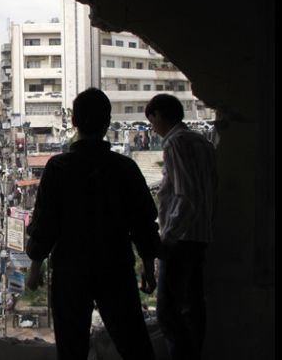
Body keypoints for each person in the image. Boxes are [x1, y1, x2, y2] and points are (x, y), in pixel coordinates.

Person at [26, 88, 160, 360]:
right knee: (134, 345)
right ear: (107, 123)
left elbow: (45, 223)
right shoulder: (125, 168)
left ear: (74, 121)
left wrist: (35, 266)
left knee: (71, 349)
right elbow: (143, 222)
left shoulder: (58, 168)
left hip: (70, 271)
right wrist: (148, 266)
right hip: (116, 268)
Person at [145, 94, 218, 360]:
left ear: (159, 115)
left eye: (151, 120)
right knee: (192, 307)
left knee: (168, 312)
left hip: (182, 239)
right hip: (200, 236)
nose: (152, 127)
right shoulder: (202, 142)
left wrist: (169, 238)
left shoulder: (175, 143)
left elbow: (186, 197)